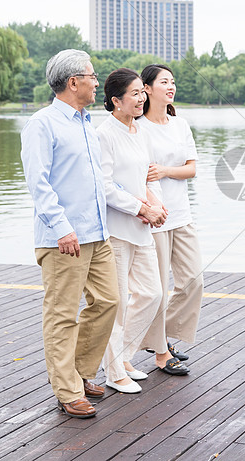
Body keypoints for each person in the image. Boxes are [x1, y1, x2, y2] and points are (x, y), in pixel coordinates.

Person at [20, 49, 119, 419]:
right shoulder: (42, 124)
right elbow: (38, 183)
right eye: (92, 76)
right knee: (62, 314)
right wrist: (61, 228)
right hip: (63, 238)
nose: (97, 82)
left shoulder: (86, 123)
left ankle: (81, 372)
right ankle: (67, 390)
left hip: (97, 234)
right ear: (73, 81)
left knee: (108, 301)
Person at [97, 68, 168, 393]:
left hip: (141, 227)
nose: (141, 99)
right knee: (118, 304)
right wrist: (142, 208)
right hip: (117, 228)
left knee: (152, 293)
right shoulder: (104, 134)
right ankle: (114, 372)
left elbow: (144, 177)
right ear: (115, 100)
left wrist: (155, 203)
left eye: (142, 92)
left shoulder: (139, 131)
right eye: (135, 94)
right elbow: (106, 187)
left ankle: (122, 357)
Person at [137, 63, 203, 375]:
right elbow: (137, 173)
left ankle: (159, 336)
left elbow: (191, 168)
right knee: (159, 288)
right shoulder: (138, 127)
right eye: (164, 82)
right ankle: (161, 353)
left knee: (192, 280)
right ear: (147, 89)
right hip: (156, 217)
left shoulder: (180, 124)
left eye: (172, 81)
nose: (171, 86)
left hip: (182, 214)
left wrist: (164, 170)